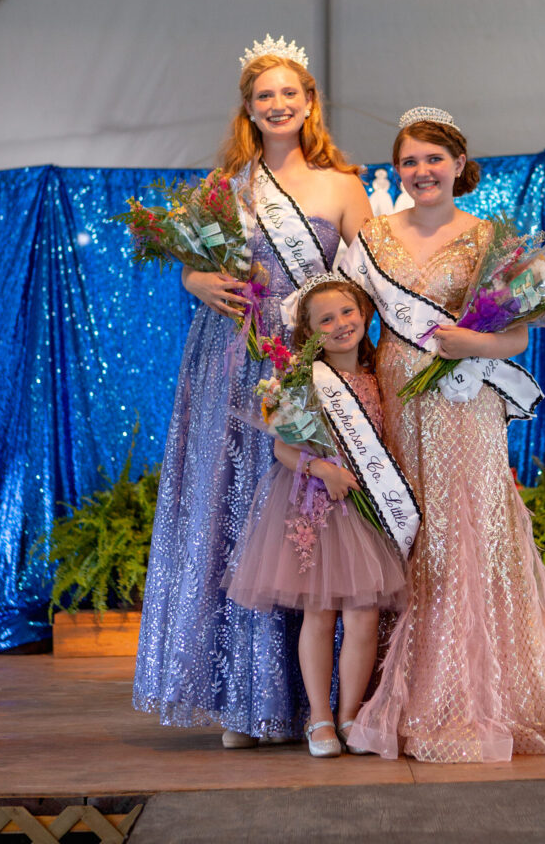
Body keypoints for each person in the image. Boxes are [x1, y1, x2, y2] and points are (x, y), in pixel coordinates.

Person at [339, 106, 545, 763]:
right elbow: (346, 317)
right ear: (397, 169)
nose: (421, 170)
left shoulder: (490, 238)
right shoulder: (372, 237)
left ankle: (469, 694)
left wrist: (472, 343)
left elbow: (516, 335)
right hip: (396, 403)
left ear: (459, 164)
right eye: (409, 160)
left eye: (433, 158)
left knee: (464, 531)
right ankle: (399, 692)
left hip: (464, 404)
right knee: (408, 531)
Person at [132, 37, 373, 747]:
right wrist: (194, 279)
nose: (277, 104)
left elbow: (367, 283)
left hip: (306, 362)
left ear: (309, 102)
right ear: (248, 107)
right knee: (234, 514)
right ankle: (243, 702)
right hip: (230, 360)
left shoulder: (342, 186)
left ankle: (322, 705)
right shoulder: (225, 186)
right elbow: (195, 265)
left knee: (309, 521)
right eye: (264, 95)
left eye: (289, 92)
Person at [223, 275, 408, 756]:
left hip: (365, 513)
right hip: (316, 509)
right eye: (326, 319)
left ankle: (350, 716)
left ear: (364, 314)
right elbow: (283, 448)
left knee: (364, 616)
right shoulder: (303, 382)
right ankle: (319, 719)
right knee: (319, 615)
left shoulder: (379, 378)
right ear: (309, 333)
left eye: (348, 312)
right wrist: (322, 468)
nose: (341, 323)